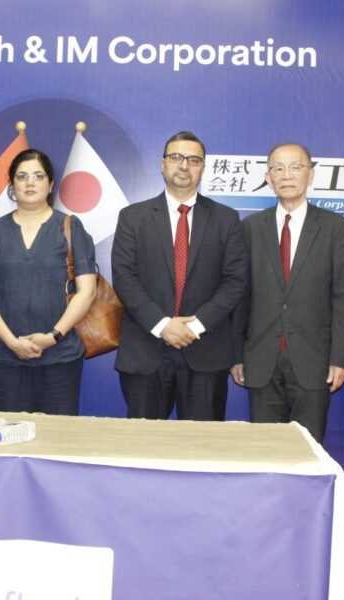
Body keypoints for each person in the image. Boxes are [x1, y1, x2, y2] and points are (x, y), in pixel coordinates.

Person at [112, 131, 247, 421]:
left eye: (193, 160)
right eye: (176, 157)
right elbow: (124, 278)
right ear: (162, 164)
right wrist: (163, 325)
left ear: (203, 168)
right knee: (143, 443)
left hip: (206, 351)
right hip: (145, 350)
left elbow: (234, 282)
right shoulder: (132, 217)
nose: (184, 165)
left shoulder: (226, 219)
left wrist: (194, 327)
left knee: (202, 445)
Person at [230, 143, 344, 442]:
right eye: (278, 168)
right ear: (268, 177)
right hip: (261, 360)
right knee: (265, 452)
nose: (287, 175)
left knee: (307, 451)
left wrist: (340, 358)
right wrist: (236, 355)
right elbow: (240, 297)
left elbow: (343, 296)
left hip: (314, 361)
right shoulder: (250, 228)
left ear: (310, 175)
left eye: (296, 167)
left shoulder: (334, 227)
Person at [0, 149, 97, 414]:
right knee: (8, 433)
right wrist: (12, 342)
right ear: (12, 185)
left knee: (58, 435)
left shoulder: (70, 228)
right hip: (6, 358)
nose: (29, 182)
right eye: (22, 176)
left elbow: (87, 291)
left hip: (60, 356)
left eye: (38, 176)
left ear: (50, 184)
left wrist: (53, 336)